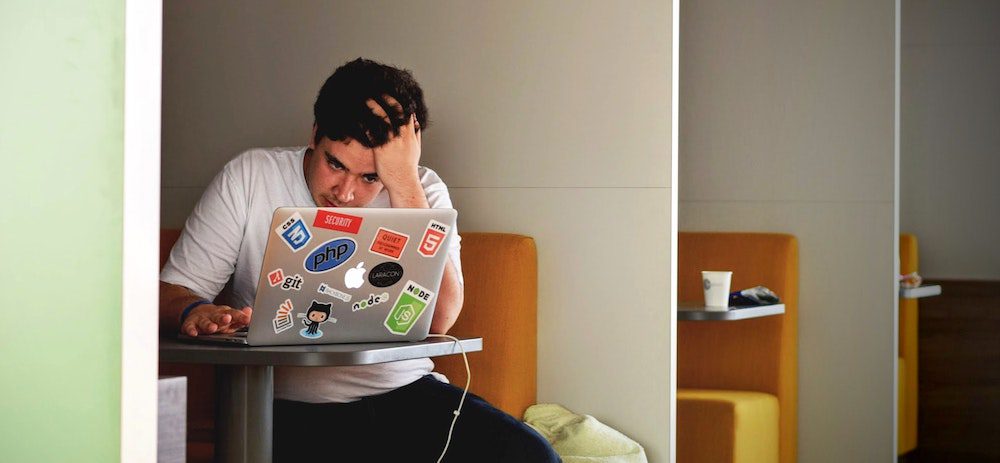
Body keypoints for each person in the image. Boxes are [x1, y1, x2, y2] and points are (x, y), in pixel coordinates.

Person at [159, 58, 560, 462]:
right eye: (335, 164)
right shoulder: (250, 176)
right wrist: (195, 310)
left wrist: (403, 182)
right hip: (284, 409)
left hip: (403, 394)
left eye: (370, 177)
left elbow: (441, 319)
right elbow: (170, 292)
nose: (345, 193)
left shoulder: (422, 191)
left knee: (532, 456)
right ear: (315, 134)